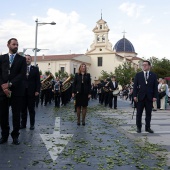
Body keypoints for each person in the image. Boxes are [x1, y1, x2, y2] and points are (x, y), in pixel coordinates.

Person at [0, 38, 27, 145]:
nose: (16, 46)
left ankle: (15, 136)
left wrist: (10, 84)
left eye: (17, 44)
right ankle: (4, 136)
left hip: (17, 91)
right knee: (3, 114)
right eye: (14, 44)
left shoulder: (22, 59)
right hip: (2, 91)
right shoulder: (2, 58)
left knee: (16, 114)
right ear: (8, 45)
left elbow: (22, 75)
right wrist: (4, 86)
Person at [133, 60, 158, 133]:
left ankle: (148, 127)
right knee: (139, 113)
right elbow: (135, 86)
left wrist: (155, 96)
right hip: (140, 97)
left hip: (149, 97)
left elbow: (155, 87)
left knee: (148, 114)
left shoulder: (153, 75)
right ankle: (139, 127)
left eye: (146, 65)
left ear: (149, 66)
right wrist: (134, 95)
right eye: (143, 65)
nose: (144, 66)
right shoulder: (138, 75)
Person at [20, 55, 40, 130]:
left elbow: (38, 81)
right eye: (26, 59)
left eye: (28, 59)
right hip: (22, 92)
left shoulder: (35, 69)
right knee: (23, 109)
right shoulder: (21, 69)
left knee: (31, 109)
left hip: (32, 92)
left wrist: (37, 90)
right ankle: (23, 124)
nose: (27, 60)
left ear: (31, 60)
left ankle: (32, 124)